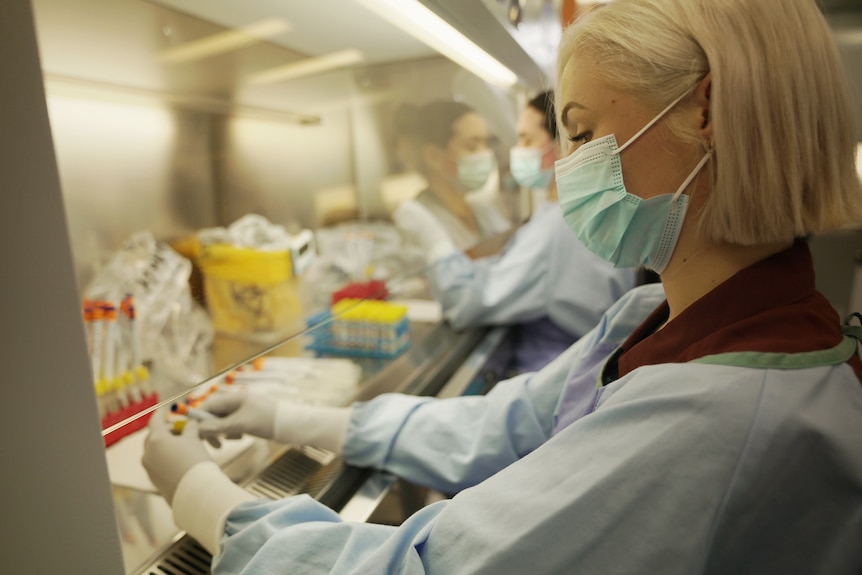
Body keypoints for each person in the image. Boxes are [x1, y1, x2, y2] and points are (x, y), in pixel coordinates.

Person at [143, 0, 862, 572]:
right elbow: (507, 424)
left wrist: (200, 494)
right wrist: (288, 418)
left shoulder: (713, 418)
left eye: (579, 134)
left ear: (705, 112)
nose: (560, 167)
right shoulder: (658, 316)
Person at [394, 91, 635, 373]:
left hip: (566, 371)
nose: (516, 150)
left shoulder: (558, 225)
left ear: (562, 146)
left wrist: (434, 241)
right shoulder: (572, 212)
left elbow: (467, 303)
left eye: (527, 140)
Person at [393, 101, 511, 249]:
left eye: (486, 143)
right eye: (472, 147)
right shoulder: (415, 217)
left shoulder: (482, 212)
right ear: (434, 156)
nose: (486, 154)